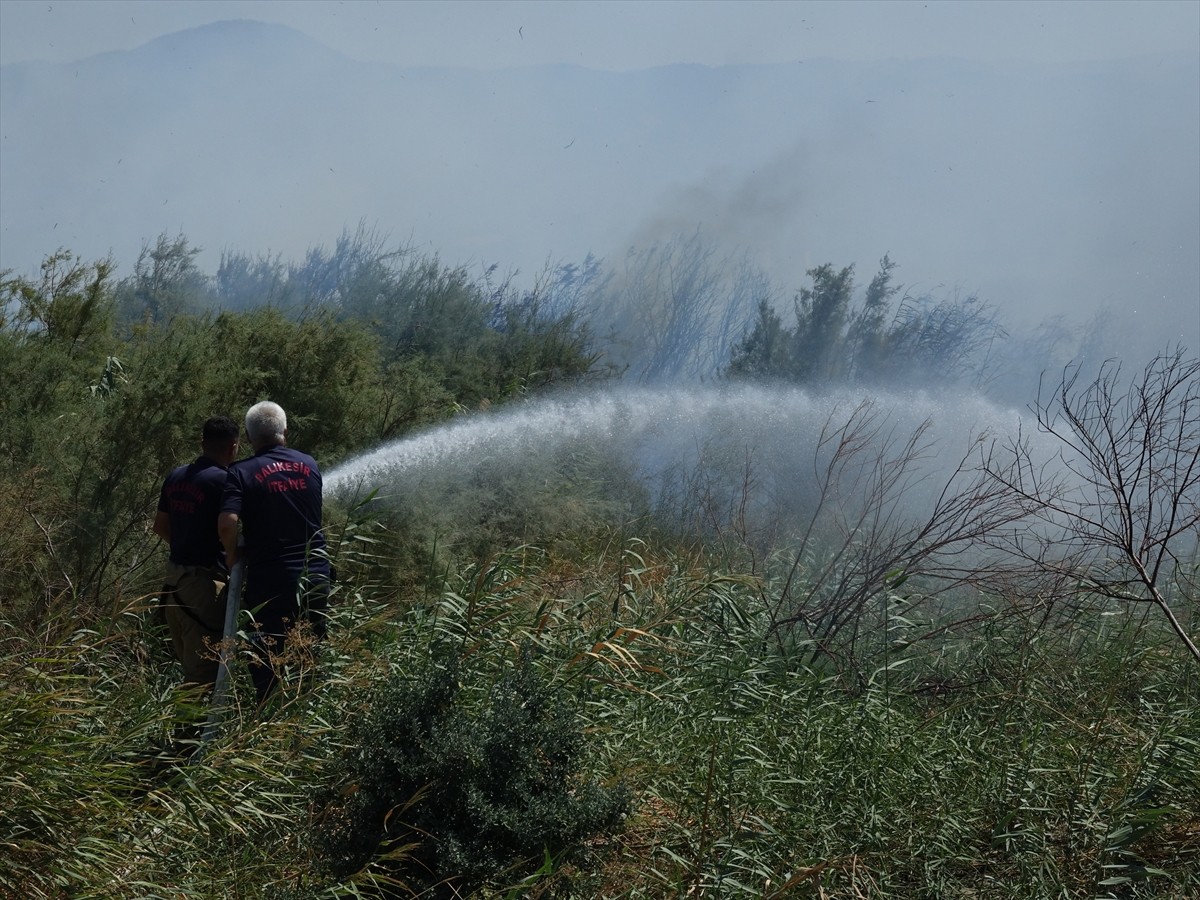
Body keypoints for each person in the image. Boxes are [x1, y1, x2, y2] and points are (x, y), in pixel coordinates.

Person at [218, 400, 330, 702]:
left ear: (250, 437)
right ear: (285, 431)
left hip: (271, 583)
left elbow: (228, 523)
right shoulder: (310, 464)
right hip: (316, 577)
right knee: (310, 658)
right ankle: (309, 726)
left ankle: (268, 729)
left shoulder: (241, 472)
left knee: (268, 663)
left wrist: (230, 554)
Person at [154, 416, 240, 689]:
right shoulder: (225, 482)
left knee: (190, 669)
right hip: (203, 589)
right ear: (234, 448)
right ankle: (189, 732)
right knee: (204, 675)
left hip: (173, 586)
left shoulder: (176, 475)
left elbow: (160, 526)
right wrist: (231, 555)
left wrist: (185, 546)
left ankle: (183, 729)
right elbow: (229, 528)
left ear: (202, 443)